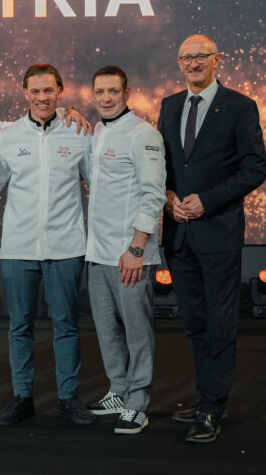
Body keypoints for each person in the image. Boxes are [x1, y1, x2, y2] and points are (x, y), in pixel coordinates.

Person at [157, 34, 266, 443]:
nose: (194, 63)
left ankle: (213, 408)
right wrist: (167, 196)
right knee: (194, 322)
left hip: (217, 231)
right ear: (179, 62)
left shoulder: (240, 107)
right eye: (187, 57)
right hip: (179, 235)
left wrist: (208, 201)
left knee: (220, 323)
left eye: (201, 56)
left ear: (217, 60)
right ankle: (204, 396)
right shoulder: (169, 106)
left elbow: (255, 169)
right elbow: (163, 163)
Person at [0, 65, 96, 427]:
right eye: (35, 91)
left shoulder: (79, 131)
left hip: (66, 246)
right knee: (19, 326)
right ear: (24, 92)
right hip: (18, 248)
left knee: (66, 324)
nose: (42, 97)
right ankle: (22, 396)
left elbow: (97, 186)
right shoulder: (7, 136)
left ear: (60, 90)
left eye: (49, 91)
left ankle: (68, 398)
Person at [85, 65, 165, 435]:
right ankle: (118, 389)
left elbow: (153, 195)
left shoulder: (143, 134)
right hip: (98, 254)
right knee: (106, 330)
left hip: (130, 255)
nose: (105, 98)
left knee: (137, 332)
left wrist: (136, 248)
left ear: (126, 92)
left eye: (112, 91)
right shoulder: (100, 131)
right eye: (99, 92)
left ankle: (138, 401)